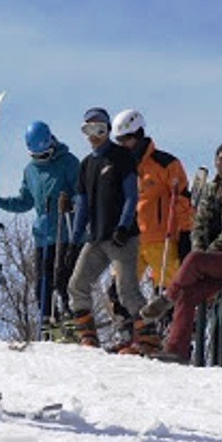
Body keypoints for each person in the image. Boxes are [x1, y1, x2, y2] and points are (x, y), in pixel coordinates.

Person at [141, 141, 222, 363]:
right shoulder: (211, 189)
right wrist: (200, 251)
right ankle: (176, 349)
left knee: (194, 261)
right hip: (215, 263)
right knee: (187, 293)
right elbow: (198, 223)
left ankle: (166, 297)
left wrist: (204, 255)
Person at [109, 109, 193, 355]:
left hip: (161, 239)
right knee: (119, 289)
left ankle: (172, 340)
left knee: (169, 292)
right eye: (120, 141)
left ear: (139, 134)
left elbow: (183, 201)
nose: (124, 145)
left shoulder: (166, 163)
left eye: (127, 140)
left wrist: (186, 233)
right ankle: (132, 336)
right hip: (131, 240)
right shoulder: (121, 167)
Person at [64, 107, 144, 348]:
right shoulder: (86, 164)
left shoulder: (121, 157)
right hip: (97, 237)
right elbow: (83, 205)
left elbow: (132, 195)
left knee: (126, 290)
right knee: (77, 284)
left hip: (121, 238)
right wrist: (74, 239)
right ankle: (87, 336)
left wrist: (123, 225)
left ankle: (146, 337)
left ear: (108, 130)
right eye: (88, 129)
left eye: (99, 128)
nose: (94, 135)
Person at [0, 120, 80, 336]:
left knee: (63, 280)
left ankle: (72, 318)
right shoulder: (30, 171)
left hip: (66, 232)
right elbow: (25, 201)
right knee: (41, 285)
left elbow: (82, 193)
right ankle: (48, 320)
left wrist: (73, 204)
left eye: (45, 155)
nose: (41, 159)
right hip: (43, 234)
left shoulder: (68, 162)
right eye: (37, 156)